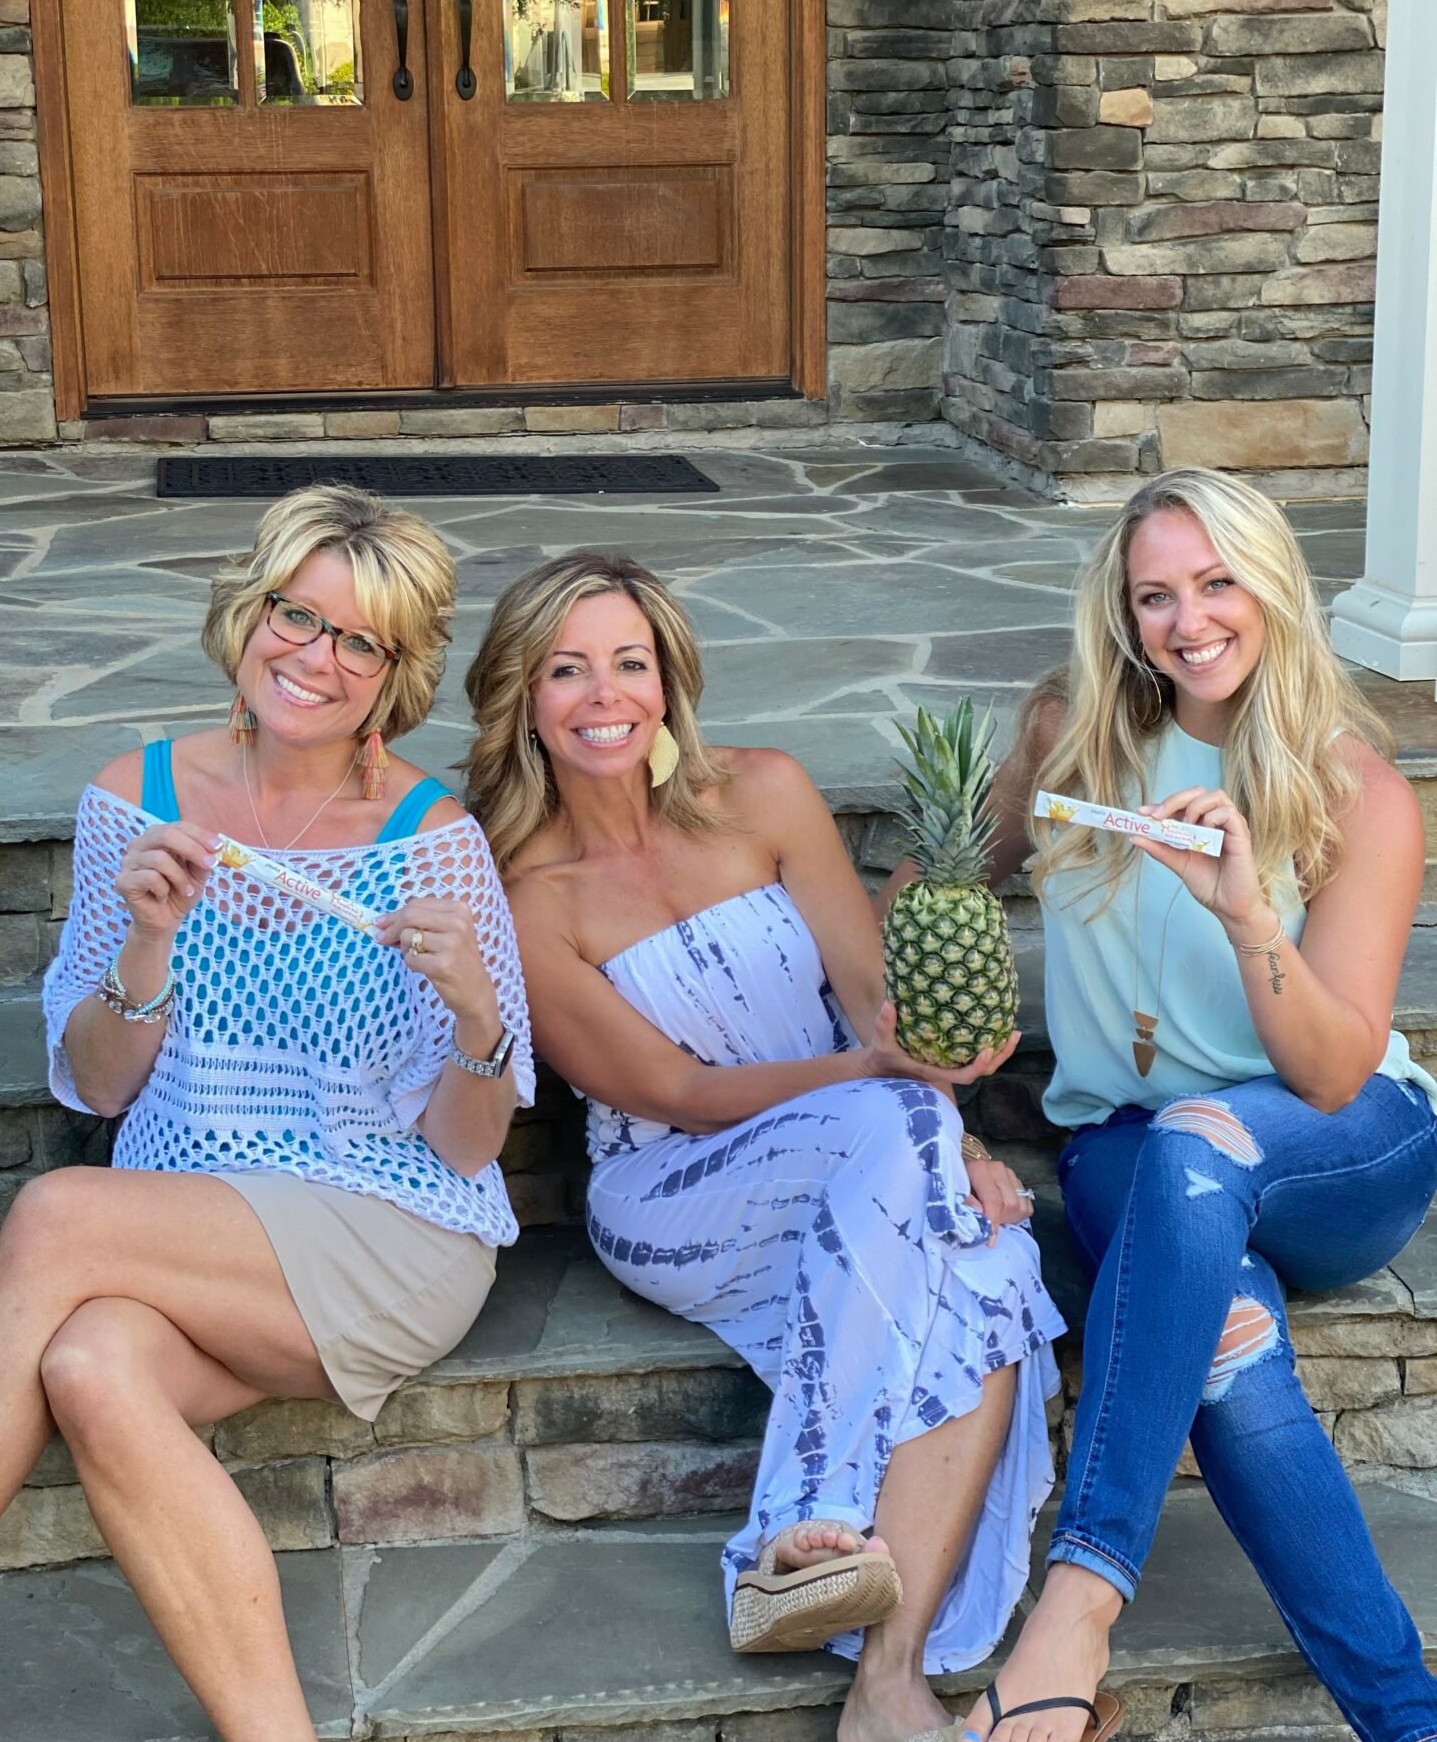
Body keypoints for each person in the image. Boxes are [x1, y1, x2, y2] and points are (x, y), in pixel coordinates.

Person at [0, 486, 533, 1742]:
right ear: (249, 614)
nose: (315, 657)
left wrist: (481, 1013)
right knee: (89, 1363)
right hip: (189, 1225)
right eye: (296, 615)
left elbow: (464, 1147)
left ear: (394, 675)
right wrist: (148, 938)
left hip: (388, 1219)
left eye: (359, 640)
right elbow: (102, 1084)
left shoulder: (432, 840)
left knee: (54, 1213)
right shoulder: (134, 796)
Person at [464, 550, 1067, 1742]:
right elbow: (677, 1090)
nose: (605, 694)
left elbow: (873, 1001)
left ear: (670, 677)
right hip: (678, 1187)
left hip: (864, 1143)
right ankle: (800, 1513)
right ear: (522, 696)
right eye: (567, 669)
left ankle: (886, 1679)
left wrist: (941, 1139)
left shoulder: (768, 792)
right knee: (911, 1152)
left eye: (630, 661)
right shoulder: (523, 891)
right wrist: (895, 1102)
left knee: (992, 1267)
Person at [885, 468, 1437, 1742]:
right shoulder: (1071, 737)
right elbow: (931, 887)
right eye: (1156, 595)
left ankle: (1073, 1610)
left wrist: (1248, 915)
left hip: (1339, 1145)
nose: (1189, 621)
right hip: (1130, 1144)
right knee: (1231, 1345)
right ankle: (1408, 1720)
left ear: (1273, 587)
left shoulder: (1355, 791)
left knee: (1202, 1138)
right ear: (1123, 611)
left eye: (1218, 582)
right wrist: (921, 1045)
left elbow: (1334, 1071)